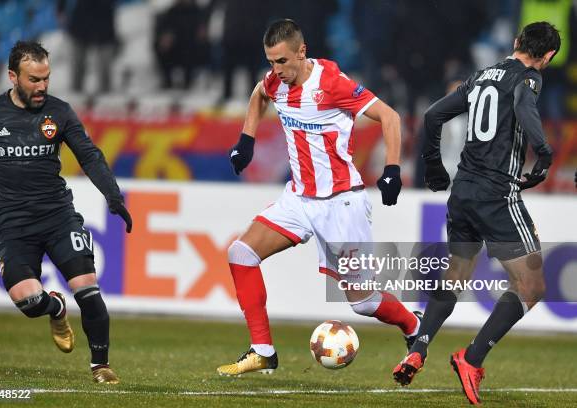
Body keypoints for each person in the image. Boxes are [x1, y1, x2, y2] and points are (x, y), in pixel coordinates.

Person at [217, 19, 420, 376]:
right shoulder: (275, 83)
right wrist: (246, 140)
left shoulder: (330, 84)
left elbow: (389, 116)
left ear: (301, 52)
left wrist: (392, 169)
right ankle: (263, 350)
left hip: (340, 203)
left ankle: (415, 327)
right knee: (241, 252)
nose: (275, 70)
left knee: (364, 303)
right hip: (299, 198)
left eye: (282, 61)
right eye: (270, 62)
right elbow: (259, 93)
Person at [392, 22, 559, 405]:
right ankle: (472, 358)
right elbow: (521, 101)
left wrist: (433, 167)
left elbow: (433, 116)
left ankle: (418, 346)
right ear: (547, 57)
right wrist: (544, 152)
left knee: (457, 273)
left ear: (516, 43)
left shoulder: (481, 76)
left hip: (463, 190)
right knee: (532, 286)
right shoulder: (529, 78)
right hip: (496, 194)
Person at [0, 41, 132, 383]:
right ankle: (55, 309)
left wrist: (113, 197)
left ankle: (101, 365)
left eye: (46, 79)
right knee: (27, 300)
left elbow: (89, 155)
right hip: (13, 225)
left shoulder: (60, 112)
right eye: (33, 80)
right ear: (13, 77)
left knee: (87, 286)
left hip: (58, 216)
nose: (41, 87)